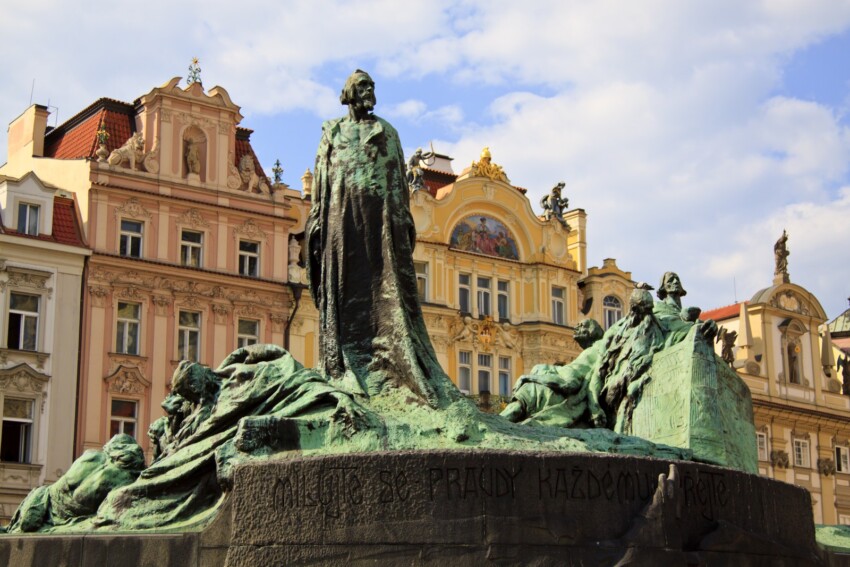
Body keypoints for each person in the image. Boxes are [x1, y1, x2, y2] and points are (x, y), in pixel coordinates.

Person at [305, 70, 458, 408]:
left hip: (379, 221)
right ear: (348, 93)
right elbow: (321, 177)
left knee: (381, 287)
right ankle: (344, 361)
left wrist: (401, 220)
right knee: (344, 288)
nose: (369, 91)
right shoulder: (331, 132)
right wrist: (317, 218)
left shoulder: (386, 131)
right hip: (340, 215)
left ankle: (384, 364)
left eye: (372, 86)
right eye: (362, 86)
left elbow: (398, 182)